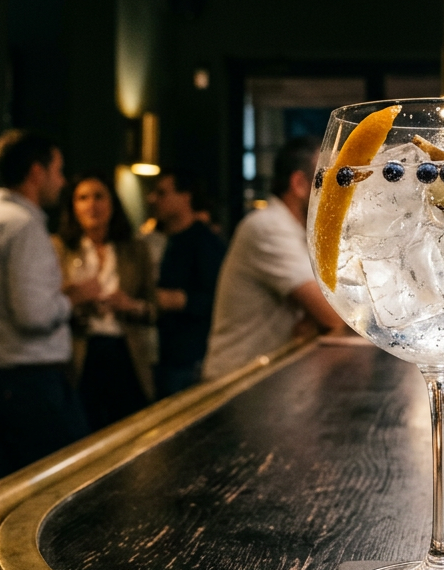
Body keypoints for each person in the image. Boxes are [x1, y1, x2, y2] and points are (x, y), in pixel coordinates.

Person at [0, 130, 100, 478]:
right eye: (58, 172)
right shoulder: (25, 227)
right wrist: (71, 298)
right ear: (36, 172)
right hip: (33, 386)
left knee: (5, 489)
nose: (62, 183)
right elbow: (34, 315)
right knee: (63, 486)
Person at [202, 137, 344, 381]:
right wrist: (316, 315)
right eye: (329, 180)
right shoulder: (267, 226)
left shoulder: (297, 231)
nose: (339, 192)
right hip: (234, 385)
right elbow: (334, 314)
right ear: (299, 183)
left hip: (267, 376)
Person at [53, 175, 158, 429]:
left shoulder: (135, 250)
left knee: (131, 432)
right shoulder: (59, 249)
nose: (92, 205)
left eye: (99, 196)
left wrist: (129, 304)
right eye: (83, 198)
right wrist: (75, 298)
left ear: (113, 203)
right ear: (73, 206)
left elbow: (154, 309)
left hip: (125, 351)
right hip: (80, 351)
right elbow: (45, 303)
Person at [147, 170, 226, 397]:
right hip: (162, 356)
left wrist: (178, 300)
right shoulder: (159, 240)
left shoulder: (206, 243)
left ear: (185, 197)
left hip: (190, 359)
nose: (153, 199)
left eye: (162, 193)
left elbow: (217, 300)